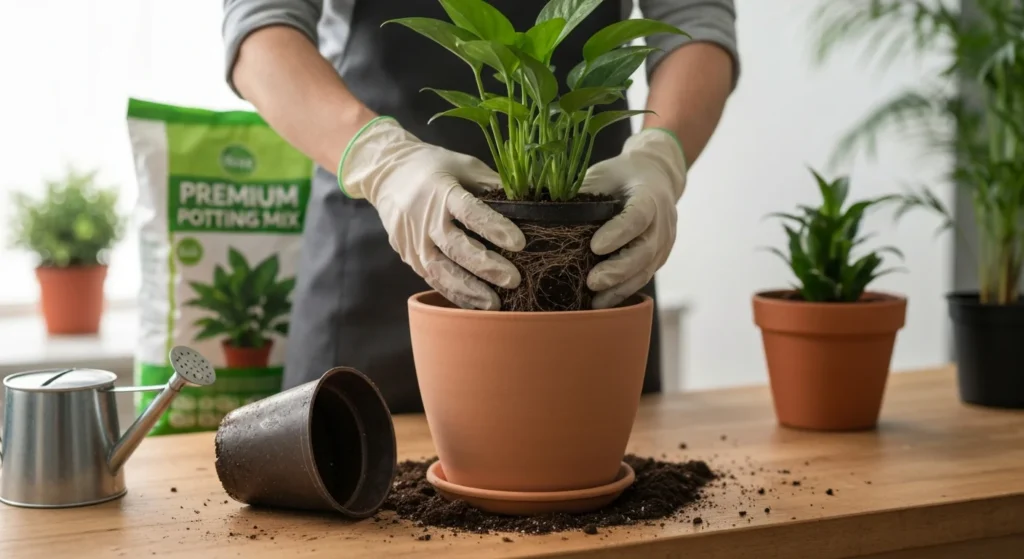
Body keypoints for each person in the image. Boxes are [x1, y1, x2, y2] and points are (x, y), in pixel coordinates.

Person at [222, 0, 739, 413]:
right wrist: (381, 161)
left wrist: (661, 155)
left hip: (593, 239)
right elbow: (260, 24)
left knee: (599, 498)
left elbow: (696, 19)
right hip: (373, 255)